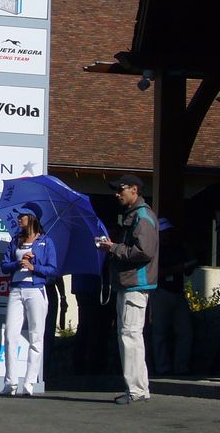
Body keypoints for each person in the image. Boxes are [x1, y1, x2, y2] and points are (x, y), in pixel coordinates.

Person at [97, 173, 159, 404]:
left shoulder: (142, 216)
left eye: (120, 189)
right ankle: (139, 388)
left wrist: (113, 248)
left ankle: (135, 390)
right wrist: (114, 246)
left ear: (134, 189)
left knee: (130, 335)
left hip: (135, 283)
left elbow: (144, 251)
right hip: (131, 283)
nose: (117, 194)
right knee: (131, 336)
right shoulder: (137, 214)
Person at [0, 203, 58, 396]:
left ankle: (30, 383)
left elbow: (53, 270)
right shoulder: (15, 240)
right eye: (18, 216)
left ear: (31, 218)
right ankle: (10, 383)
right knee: (10, 336)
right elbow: (4, 266)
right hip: (16, 290)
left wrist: (34, 267)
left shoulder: (46, 241)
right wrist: (19, 263)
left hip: (36, 290)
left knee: (36, 337)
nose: (18, 219)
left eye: (22, 216)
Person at [152, 217, 193, 375]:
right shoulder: (154, 250)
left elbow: (186, 269)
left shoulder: (177, 248)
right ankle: (162, 368)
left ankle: (181, 367)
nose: (168, 235)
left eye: (169, 231)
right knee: (159, 332)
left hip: (178, 291)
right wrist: (176, 268)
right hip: (161, 291)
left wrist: (189, 265)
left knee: (185, 331)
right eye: (165, 232)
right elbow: (155, 273)